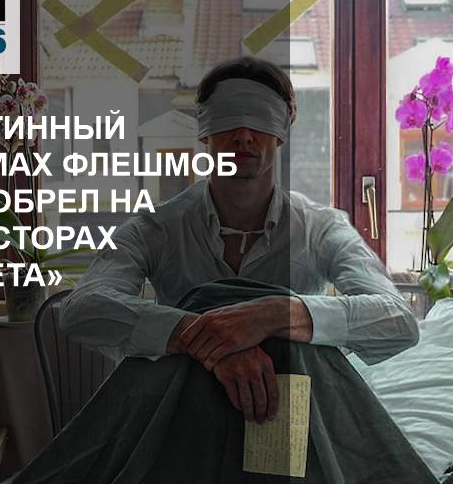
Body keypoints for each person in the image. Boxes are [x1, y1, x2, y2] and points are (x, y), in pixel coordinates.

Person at [60, 56, 419, 425]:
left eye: (261, 118)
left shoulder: (321, 228)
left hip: (289, 421)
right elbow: (82, 308)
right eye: (228, 117)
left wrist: (275, 314)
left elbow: (397, 320)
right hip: (185, 418)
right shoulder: (156, 227)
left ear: (282, 130)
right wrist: (202, 336)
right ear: (204, 129)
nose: (244, 135)